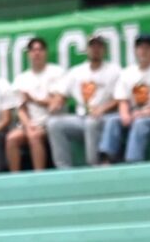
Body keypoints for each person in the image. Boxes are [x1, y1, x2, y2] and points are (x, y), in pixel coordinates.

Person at [47, 36, 120, 168]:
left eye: (99, 46)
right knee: (54, 124)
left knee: (91, 123)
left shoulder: (114, 70)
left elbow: (119, 98)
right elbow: (61, 93)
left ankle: (94, 165)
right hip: (81, 117)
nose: (95, 50)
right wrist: (56, 103)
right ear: (87, 50)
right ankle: (64, 169)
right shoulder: (77, 71)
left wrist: (103, 108)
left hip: (104, 117)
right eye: (92, 47)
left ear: (104, 50)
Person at [99, 33, 150, 163]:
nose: (143, 51)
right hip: (135, 113)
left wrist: (147, 112)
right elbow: (122, 99)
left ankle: (133, 162)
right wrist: (125, 115)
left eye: (147, 48)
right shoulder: (127, 72)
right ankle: (106, 159)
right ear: (135, 51)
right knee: (113, 120)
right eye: (140, 48)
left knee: (140, 123)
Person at [6, 37, 63, 172]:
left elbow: (57, 102)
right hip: (30, 124)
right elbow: (21, 108)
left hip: (51, 121)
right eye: (33, 50)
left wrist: (34, 100)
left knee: (34, 136)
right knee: (11, 138)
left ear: (45, 52)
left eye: (40, 50)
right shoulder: (21, 79)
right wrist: (28, 124)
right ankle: (15, 178)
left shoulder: (57, 72)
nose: (37, 53)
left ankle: (38, 176)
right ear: (29, 54)